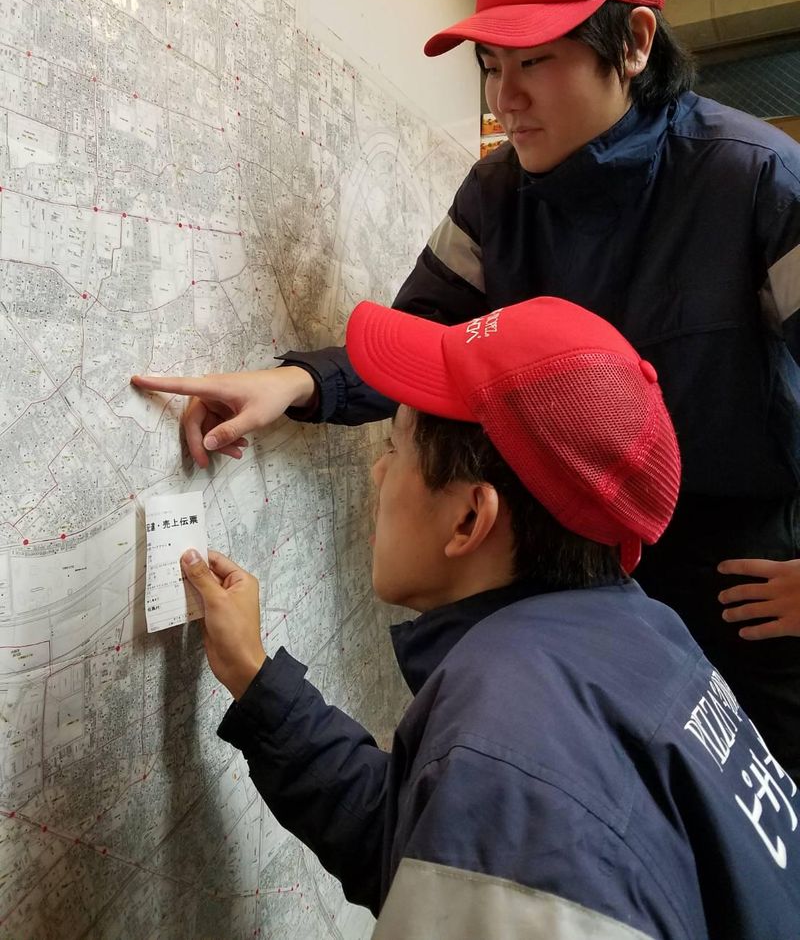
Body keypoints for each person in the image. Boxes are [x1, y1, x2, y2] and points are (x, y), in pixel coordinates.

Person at [132, 0, 800, 776]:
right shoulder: (495, 195)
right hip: (574, 596)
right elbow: (424, 344)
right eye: (491, 65)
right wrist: (294, 384)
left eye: (537, 62)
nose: (504, 98)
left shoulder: (759, 183)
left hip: (743, 602)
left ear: (635, 43)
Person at [179, 296, 800, 940]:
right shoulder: (642, 636)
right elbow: (434, 851)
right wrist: (257, 682)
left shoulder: (511, 751)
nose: (378, 471)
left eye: (396, 447)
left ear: (471, 519)